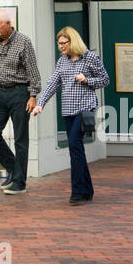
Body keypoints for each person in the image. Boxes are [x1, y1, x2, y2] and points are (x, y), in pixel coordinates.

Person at [33, 27, 107, 204]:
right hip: (68, 110)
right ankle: (87, 189)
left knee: (74, 145)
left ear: (73, 41)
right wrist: (40, 103)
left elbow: (105, 79)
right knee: (77, 148)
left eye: (63, 43)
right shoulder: (62, 61)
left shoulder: (90, 57)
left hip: (85, 108)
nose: (60, 47)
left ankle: (78, 192)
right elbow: (52, 83)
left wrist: (87, 79)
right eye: (58, 44)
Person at [0, 14, 42, 194]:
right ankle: (13, 168)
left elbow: (33, 71)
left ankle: (20, 183)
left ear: (9, 24)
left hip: (19, 92)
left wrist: (33, 96)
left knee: (20, 139)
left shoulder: (23, 41)